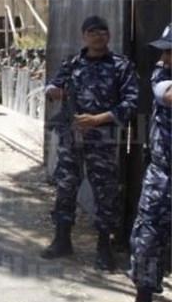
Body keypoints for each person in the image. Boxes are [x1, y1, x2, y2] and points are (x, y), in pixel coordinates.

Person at [41, 15, 138, 270]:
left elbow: (131, 103)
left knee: (105, 193)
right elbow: (52, 84)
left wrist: (97, 119)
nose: (98, 36)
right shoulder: (72, 63)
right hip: (71, 138)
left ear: (109, 35)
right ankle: (62, 240)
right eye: (93, 32)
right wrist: (53, 91)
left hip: (102, 141)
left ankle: (104, 247)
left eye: (103, 32)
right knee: (65, 187)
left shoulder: (120, 65)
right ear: (84, 36)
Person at [116, 23, 171, 302]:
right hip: (163, 176)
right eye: (164, 51)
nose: (164, 57)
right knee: (147, 243)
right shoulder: (161, 75)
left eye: (170, 51)